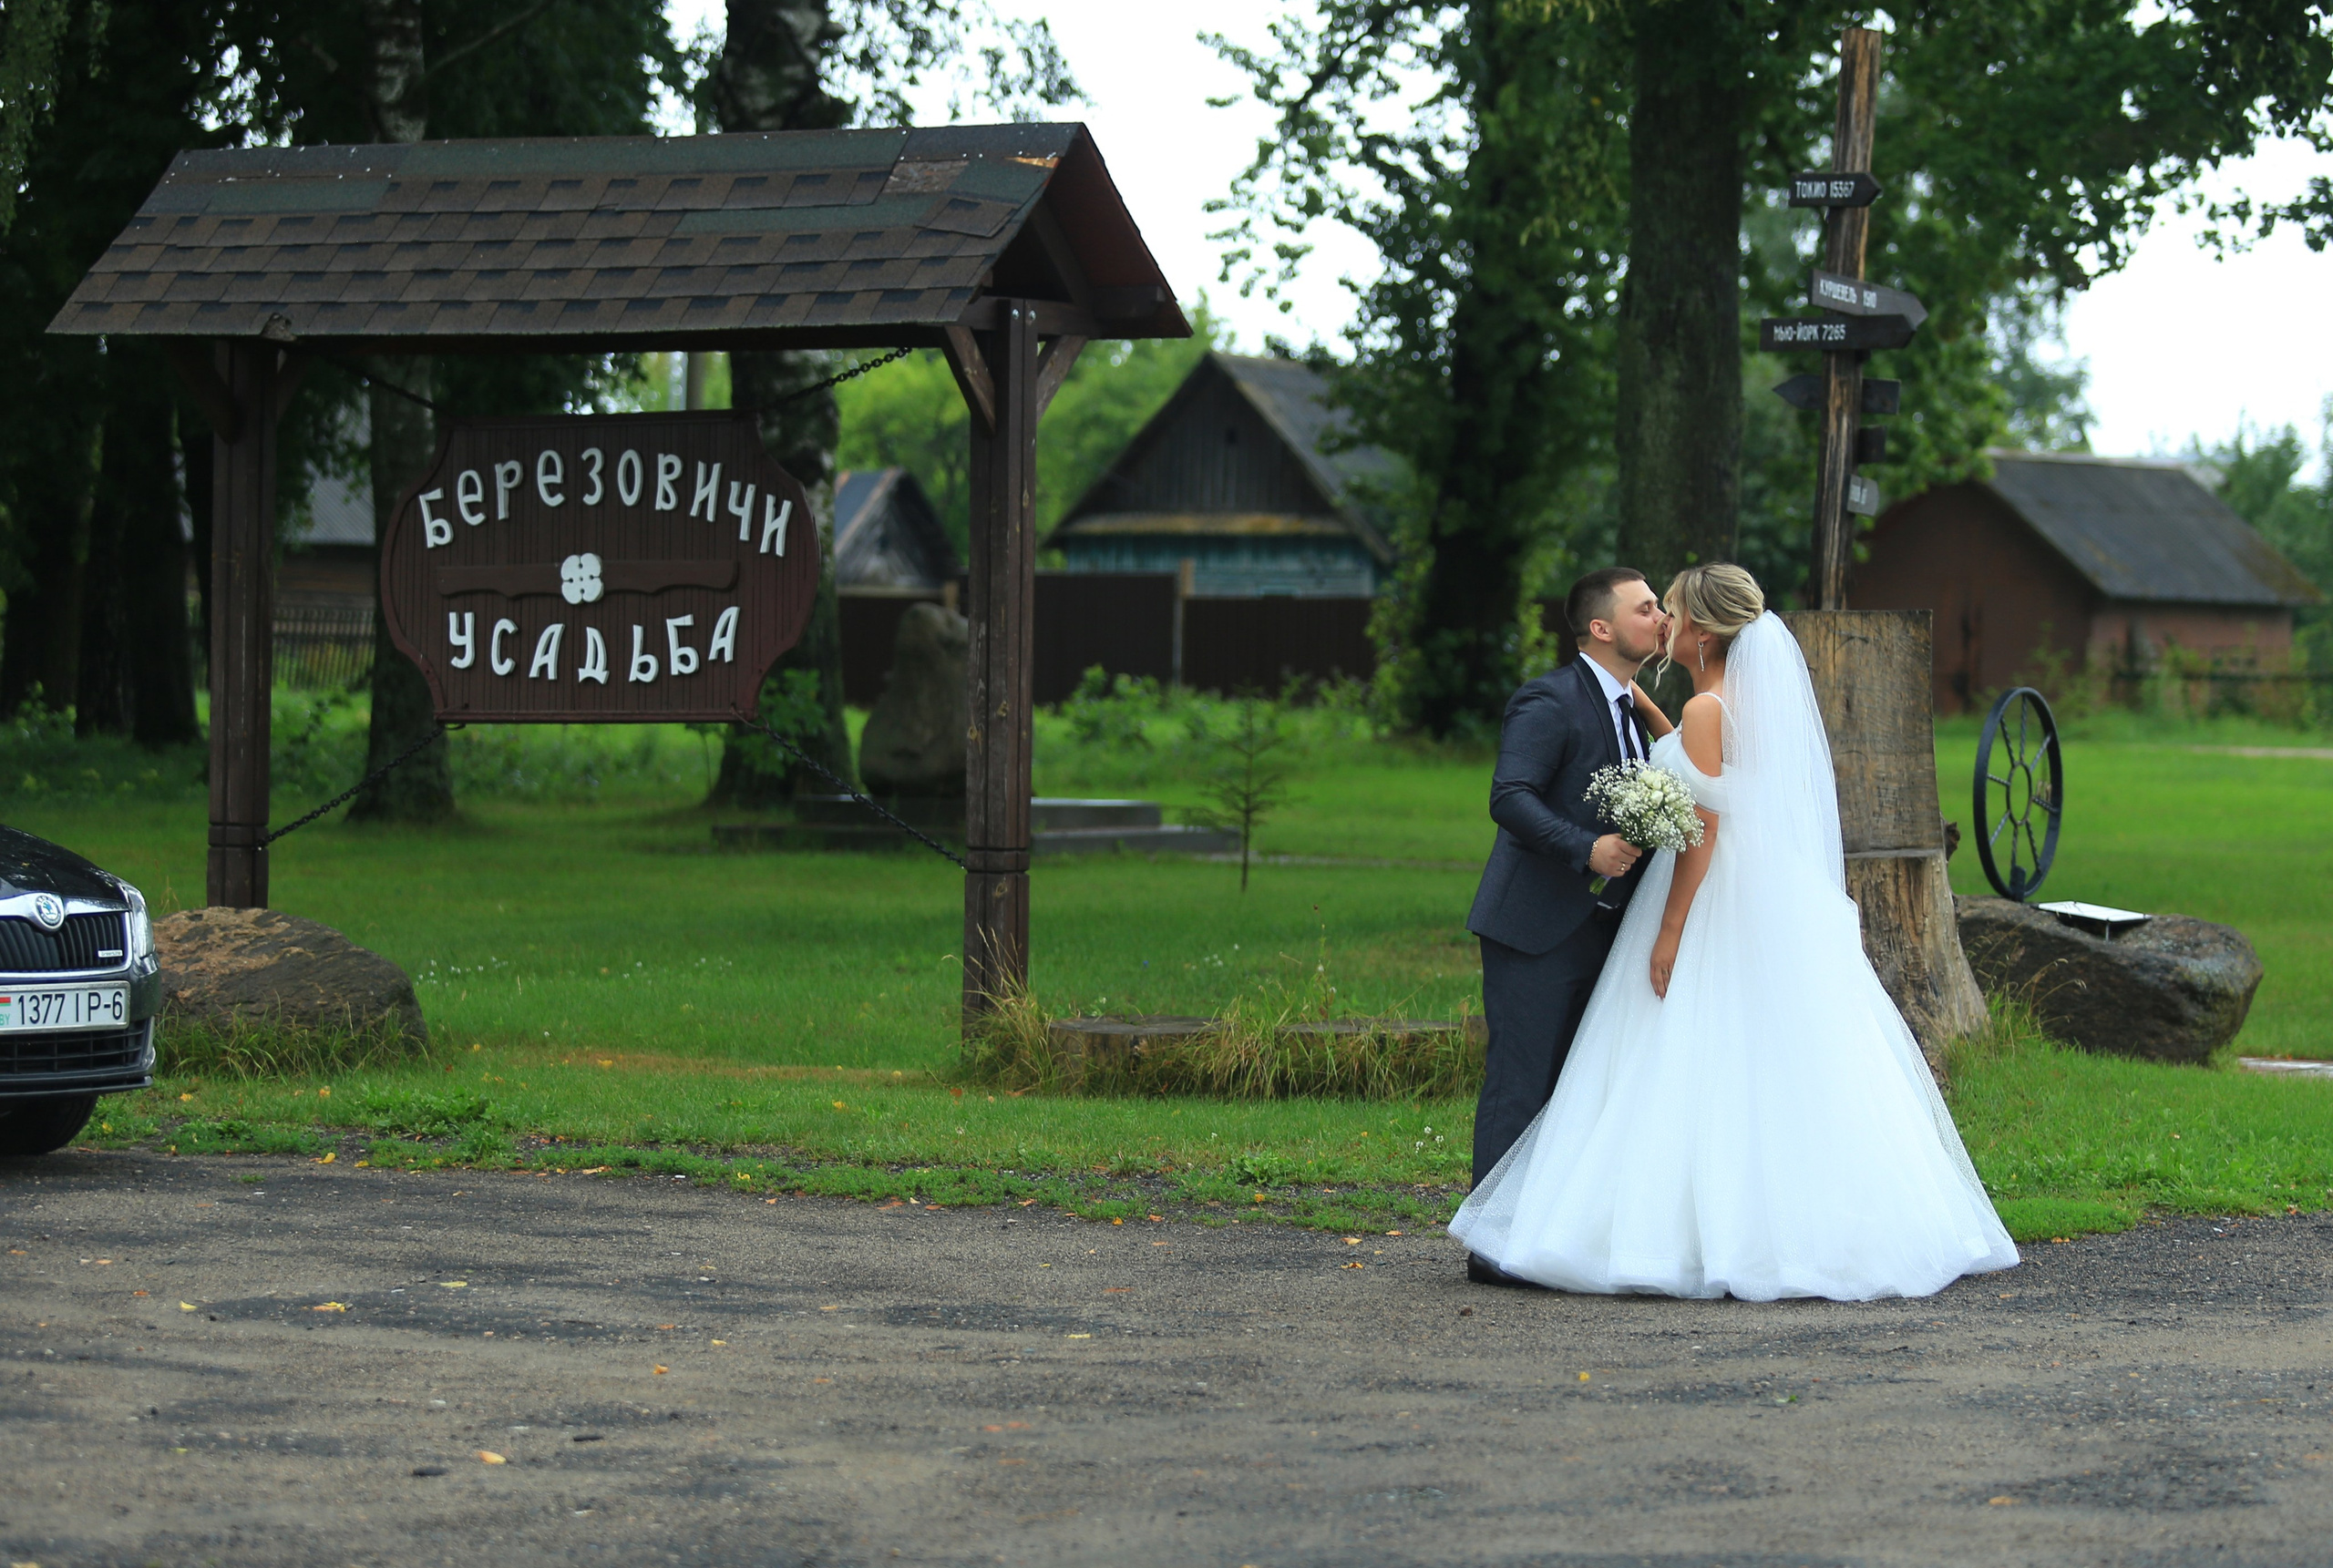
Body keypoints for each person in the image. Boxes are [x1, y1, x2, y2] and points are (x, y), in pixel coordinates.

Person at [1452, 564, 2018, 1301]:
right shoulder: (1712, 702)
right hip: (1723, 896)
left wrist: (1671, 929)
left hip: (1705, 895)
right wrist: (1652, 729)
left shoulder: (1705, 710)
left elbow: (1703, 823)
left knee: (1680, 1053)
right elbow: (1692, 765)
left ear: (1703, 632)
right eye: (1651, 608)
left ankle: (1644, 1228)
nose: (1663, 621)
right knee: (1739, 1056)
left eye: (1672, 610)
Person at [1461, 568, 1675, 1287]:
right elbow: (1509, 797)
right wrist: (1584, 848)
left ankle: (1550, 1235)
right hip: (1535, 924)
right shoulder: (1549, 699)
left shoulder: (1629, 708)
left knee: (1580, 1089)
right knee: (1522, 1084)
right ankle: (1492, 1248)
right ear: (1601, 628)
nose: (1661, 616)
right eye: (1646, 608)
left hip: (1605, 928)